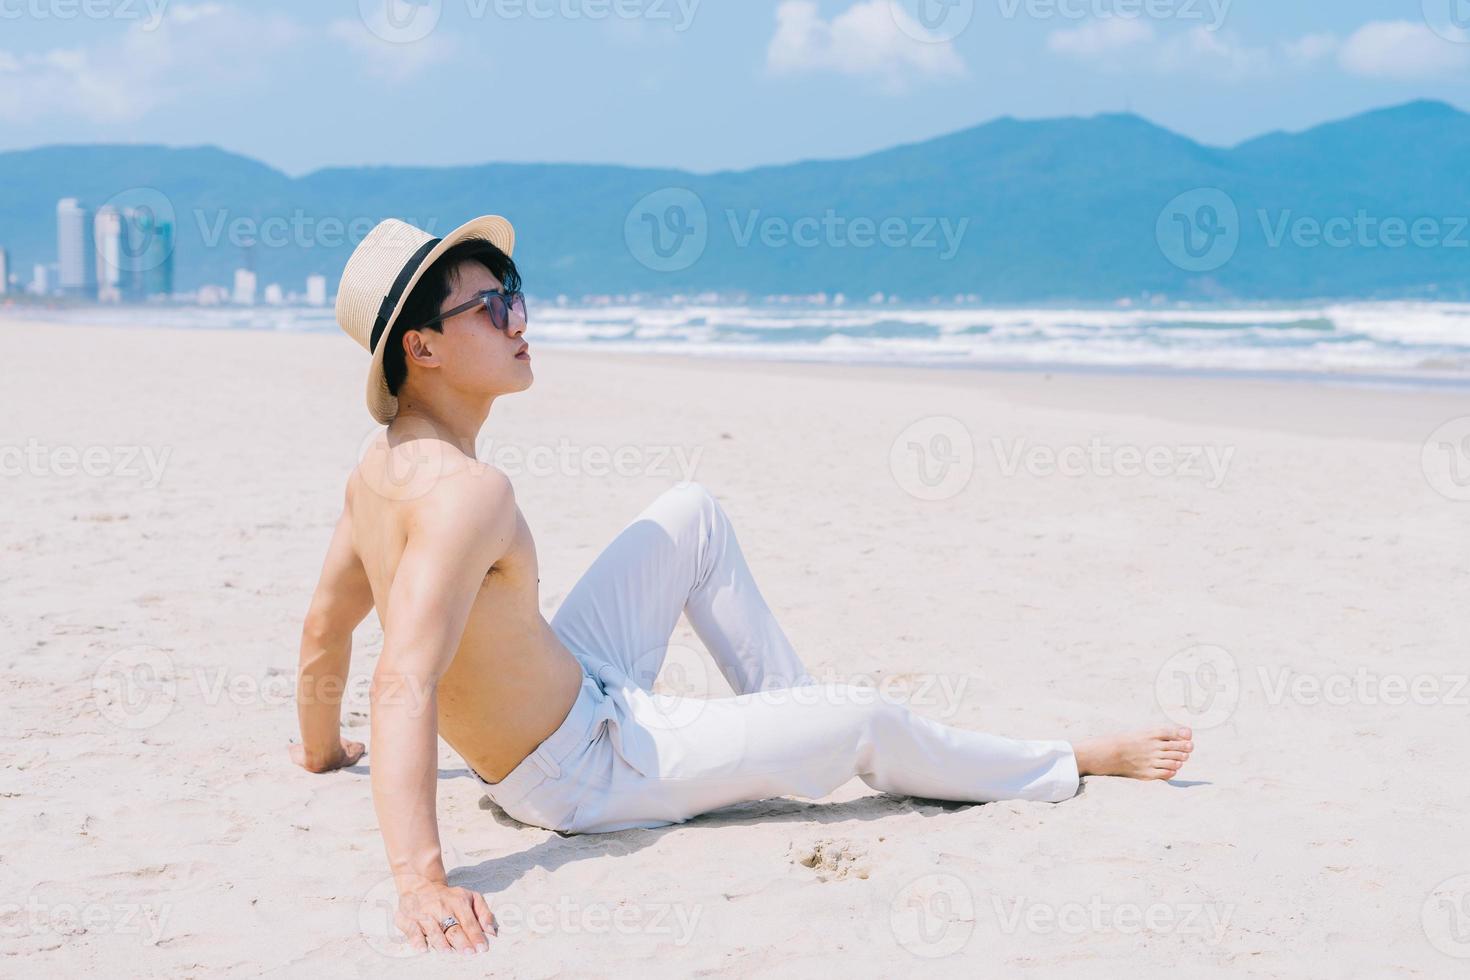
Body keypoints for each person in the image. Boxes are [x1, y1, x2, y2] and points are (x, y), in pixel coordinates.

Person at [292, 216, 1194, 956]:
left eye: (515, 293)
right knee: (868, 721)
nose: (521, 320)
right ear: (425, 347)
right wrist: (419, 877)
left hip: (575, 687)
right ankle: (1069, 759)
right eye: (492, 307)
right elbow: (401, 677)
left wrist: (320, 752)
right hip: (584, 769)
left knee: (692, 512)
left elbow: (323, 632)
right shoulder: (465, 494)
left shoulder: (378, 473)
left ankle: (792, 720)